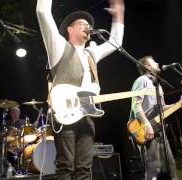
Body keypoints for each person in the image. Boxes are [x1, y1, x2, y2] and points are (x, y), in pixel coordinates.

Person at [36, 0, 124, 179]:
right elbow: (42, 12)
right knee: (66, 165)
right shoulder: (58, 46)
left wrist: (118, 17)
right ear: (70, 29)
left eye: (89, 24)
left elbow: (115, 43)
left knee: (84, 167)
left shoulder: (91, 53)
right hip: (65, 113)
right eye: (82, 24)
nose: (88, 26)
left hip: (87, 115)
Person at [129, 56, 178, 180]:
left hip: (159, 129)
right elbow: (136, 106)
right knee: (153, 168)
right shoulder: (141, 80)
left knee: (170, 164)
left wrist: (179, 104)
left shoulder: (157, 84)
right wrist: (147, 124)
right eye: (154, 62)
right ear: (147, 67)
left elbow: (162, 107)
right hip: (145, 129)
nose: (157, 63)